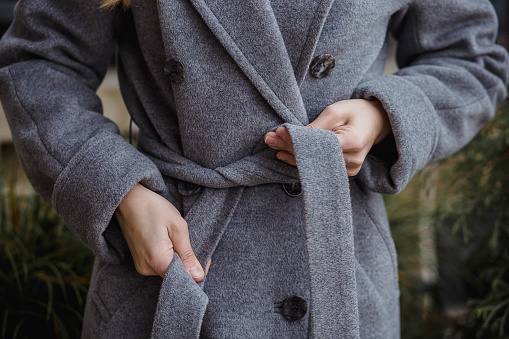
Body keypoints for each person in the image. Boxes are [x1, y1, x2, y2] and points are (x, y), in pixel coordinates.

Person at [0, 0, 507, 338]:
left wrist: (384, 116)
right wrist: (121, 193)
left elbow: (470, 58)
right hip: (171, 255)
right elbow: (43, 61)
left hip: (336, 264)